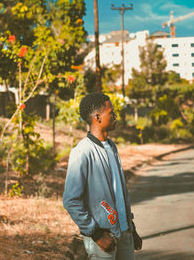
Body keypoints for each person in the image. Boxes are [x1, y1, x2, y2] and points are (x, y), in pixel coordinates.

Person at [63, 92, 141, 260]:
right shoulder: (82, 152)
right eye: (111, 112)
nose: (115, 116)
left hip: (124, 233)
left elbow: (119, 192)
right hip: (102, 238)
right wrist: (95, 233)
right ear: (97, 117)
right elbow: (71, 200)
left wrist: (131, 227)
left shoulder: (112, 147)